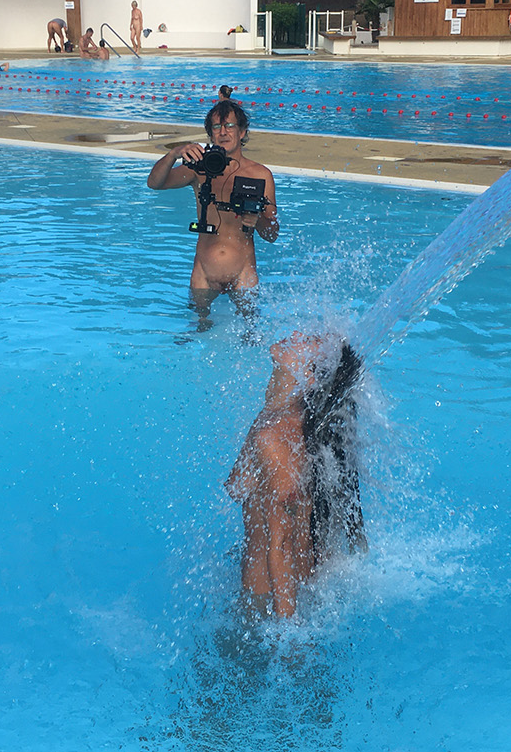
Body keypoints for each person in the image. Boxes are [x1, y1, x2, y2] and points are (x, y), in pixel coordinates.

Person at [225, 334, 366, 617]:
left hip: (266, 603)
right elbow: (237, 487)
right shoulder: (279, 419)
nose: (297, 334)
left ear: (309, 378)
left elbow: (281, 547)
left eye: (310, 340)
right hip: (293, 588)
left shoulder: (274, 439)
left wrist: (287, 636)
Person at [146, 100, 278, 324]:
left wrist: (256, 221)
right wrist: (174, 153)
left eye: (229, 126)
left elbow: (272, 234)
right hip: (203, 275)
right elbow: (154, 183)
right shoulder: (198, 170)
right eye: (217, 127)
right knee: (198, 329)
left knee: (250, 332)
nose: (223, 132)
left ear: (242, 132)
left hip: (243, 274)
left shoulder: (261, 175)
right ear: (210, 135)